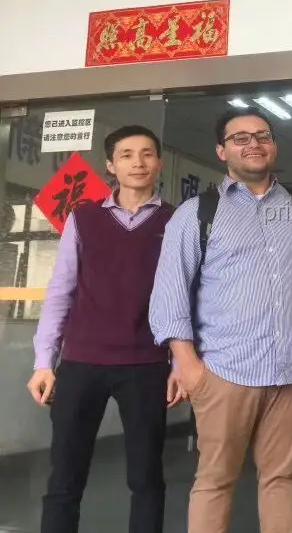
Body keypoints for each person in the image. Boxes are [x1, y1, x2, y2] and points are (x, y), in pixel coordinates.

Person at [148, 105, 292, 533]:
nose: (253, 144)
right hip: (224, 370)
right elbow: (170, 291)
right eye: (240, 138)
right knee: (215, 481)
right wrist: (187, 364)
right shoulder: (197, 213)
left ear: (273, 146)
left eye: (262, 135)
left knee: (282, 477)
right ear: (222, 151)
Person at [26, 125, 180, 533]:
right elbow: (60, 291)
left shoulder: (176, 220)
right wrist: (44, 362)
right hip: (81, 364)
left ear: (159, 162)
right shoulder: (84, 218)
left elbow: (188, 295)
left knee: (147, 480)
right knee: (64, 479)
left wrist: (180, 363)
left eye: (147, 154)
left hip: (147, 364)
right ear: (111, 166)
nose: (138, 163)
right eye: (126, 155)